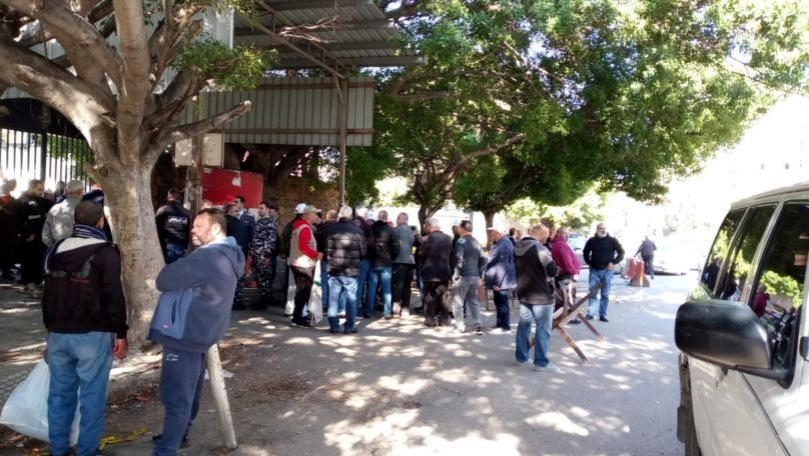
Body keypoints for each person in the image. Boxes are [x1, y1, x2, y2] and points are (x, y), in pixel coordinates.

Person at [149, 207, 244, 455]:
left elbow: (164, 280)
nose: (192, 229)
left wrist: (181, 262)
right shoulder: (230, 253)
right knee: (190, 390)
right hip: (202, 331)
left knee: (176, 396)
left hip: (185, 333)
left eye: (198, 225)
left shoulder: (206, 257)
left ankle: (166, 449)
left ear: (215, 228)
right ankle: (180, 434)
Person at [42, 200, 128, 456]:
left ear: (75, 221)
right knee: (92, 398)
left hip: (58, 334)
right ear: (100, 221)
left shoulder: (55, 249)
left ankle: (58, 450)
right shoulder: (106, 251)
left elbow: (48, 290)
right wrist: (121, 332)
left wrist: (50, 329)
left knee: (59, 396)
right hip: (93, 335)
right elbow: (114, 294)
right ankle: (87, 450)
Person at [514, 223, 560, 372]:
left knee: (524, 326)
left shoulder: (517, 247)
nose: (546, 239)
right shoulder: (540, 249)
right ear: (540, 234)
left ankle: (521, 358)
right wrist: (557, 268)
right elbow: (552, 270)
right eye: (545, 236)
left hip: (523, 293)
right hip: (541, 294)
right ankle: (541, 363)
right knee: (543, 328)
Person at [321, 206, 367, 334]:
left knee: (333, 299)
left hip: (334, 269)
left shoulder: (331, 230)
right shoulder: (358, 231)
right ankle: (349, 326)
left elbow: (325, 249)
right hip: (350, 270)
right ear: (351, 216)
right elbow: (363, 252)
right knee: (351, 299)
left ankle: (334, 326)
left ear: (340, 215)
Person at [582, 223, 624, 322]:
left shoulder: (612, 240)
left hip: (607, 271)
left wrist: (614, 262)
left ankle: (603, 315)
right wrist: (589, 262)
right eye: (600, 228)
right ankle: (591, 313)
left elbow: (621, 252)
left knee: (605, 294)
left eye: (604, 228)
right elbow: (585, 252)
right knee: (593, 293)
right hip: (594, 271)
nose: (603, 230)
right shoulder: (591, 241)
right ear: (597, 229)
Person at [450, 220, 486, 334]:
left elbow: (459, 258)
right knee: (473, 300)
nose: (457, 229)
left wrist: (456, 274)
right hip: (474, 276)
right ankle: (478, 324)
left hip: (464, 275)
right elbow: (483, 260)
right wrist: (480, 275)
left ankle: (460, 326)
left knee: (457, 302)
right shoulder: (476, 242)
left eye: (459, 227)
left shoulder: (460, 242)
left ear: (463, 228)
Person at [17, 179, 52, 296]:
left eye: (42, 189)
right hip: (29, 239)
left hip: (40, 238)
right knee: (29, 262)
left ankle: (36, 283)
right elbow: (18, 221)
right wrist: (26, 235)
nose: (41, 192)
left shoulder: (42, 201)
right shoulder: (23, 201)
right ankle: (29, 284)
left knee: (38, 261)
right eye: (39, 189)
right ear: (31, 188)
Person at [289, 205, 320, 327]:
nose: (316, 216)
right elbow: (304, 247)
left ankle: (299, 316)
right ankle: (298, 317)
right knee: (304, 292)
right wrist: (317, 255)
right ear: (307, 215)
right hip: (303, 264)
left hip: (296, 262)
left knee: (302, 291)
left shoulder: (298, 226)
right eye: (314, 214)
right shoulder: (305, 228)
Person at [419, 218, 453, 327]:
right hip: (444, 272)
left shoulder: (426, 239)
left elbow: (421, 255)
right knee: (443, 297)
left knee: (429, 296)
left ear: (430, 226)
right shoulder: (448, 238)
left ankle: (430, 319)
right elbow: (453, 256)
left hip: (430, 272)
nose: (425, 229)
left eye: (426, 226)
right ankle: (444, 320)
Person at [366, 210, 400, 319]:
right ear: (386, 217)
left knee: (371, 288)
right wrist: (391, 258)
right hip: (386, 263)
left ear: (378, 217)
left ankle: (368, 311)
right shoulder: (391, 230)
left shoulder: (371, 229)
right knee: (387, 289)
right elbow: (396, 248)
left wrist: (370, 257)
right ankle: (387, 312)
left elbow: (368, 246)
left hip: (373, 262)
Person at [485, 224, 517, 333]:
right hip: (500, 280)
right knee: (498, 302)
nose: (491, 235)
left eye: (492, 233)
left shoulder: (504, 244)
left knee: (502, 303)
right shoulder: (501, 242)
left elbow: (502, 265)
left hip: (501, 281)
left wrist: (497, 282)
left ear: (498, 233)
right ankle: (500, 323)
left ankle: (504, 325)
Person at [249, 201, 279, 310]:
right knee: (259, 278)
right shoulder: (259, 221)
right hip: (256, 254)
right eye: (259, 208)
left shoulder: (269, 223)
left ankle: (263, 302)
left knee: (264, 279)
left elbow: (270, 241)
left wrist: (267, 256)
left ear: (267, 209)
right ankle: (261, 300)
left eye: (261, 208)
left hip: (263, 255)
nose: (259, 210)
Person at [551, 227, 582, 323]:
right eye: (565, 234)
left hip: (560, 275)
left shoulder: (556, 244)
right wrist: (574, 273)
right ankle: (570, 317)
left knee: (561, 298)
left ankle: (557, 317)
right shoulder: (561, 245)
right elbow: (567, 262)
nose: (567, 236)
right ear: (559, 234)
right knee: (568, 297)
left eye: (568, 234)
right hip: (566, 274)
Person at [154, 188, 192, 264]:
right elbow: (189, 230)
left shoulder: (163, 210)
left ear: (170, 197)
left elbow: (155, 227)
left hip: (166, 246)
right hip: (182, 247)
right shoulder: (187, 213)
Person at [42, 180, 84, 247]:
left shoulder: (54, 209)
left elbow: (45, 235)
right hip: (81, 251)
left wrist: (56, 247)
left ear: (67, 191)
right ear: (80, 191)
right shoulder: (87, 209)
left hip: (58, 252)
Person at [392, 212, 417, 316]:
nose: (396, 221)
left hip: (399, 261)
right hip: (410, 261)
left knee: (398, 285)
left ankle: (396, 306)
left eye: (397, 218)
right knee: (407, 286)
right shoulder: (413, 232)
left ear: (400, 219)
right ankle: (405, 308)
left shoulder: (396, 230)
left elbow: (393, 246)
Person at [316, 209, 339, 314]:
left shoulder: (322, 228)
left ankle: (324, 305)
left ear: (327, 217)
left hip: (324, 258)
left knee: (324, 282)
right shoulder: (340, 228)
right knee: (335, 284)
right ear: (336, 217)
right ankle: (334, 306)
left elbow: (317, 244)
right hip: (337, 259)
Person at [0, 179, 19, 280]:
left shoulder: (12, 199)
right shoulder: (3, 200)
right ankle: (5, 270)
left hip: (10, 230)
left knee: (8, 250)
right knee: (3, 250)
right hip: (2, 230)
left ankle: (7, 269)